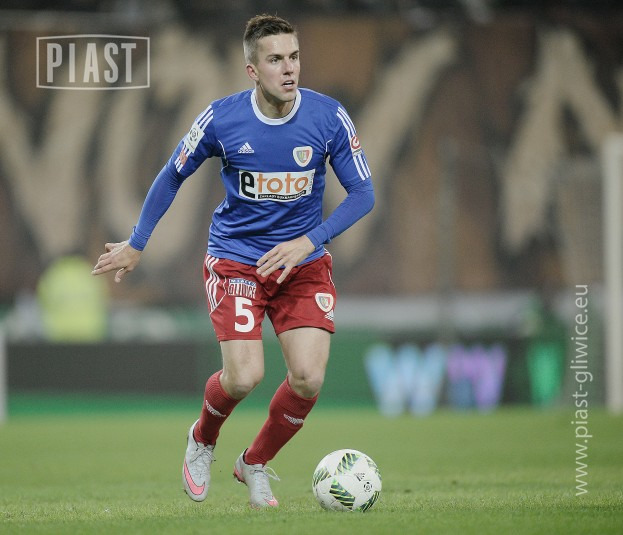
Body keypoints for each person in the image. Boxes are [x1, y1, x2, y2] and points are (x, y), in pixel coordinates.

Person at [92, 14, 375, 508]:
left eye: (294, 57)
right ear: (252, 70)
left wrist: (310, 240)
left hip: (302, 264)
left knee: (308, 377)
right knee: (243, 377)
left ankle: (254, 462)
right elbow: (172, 173)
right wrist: (138, 242)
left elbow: (363, 194)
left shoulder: (328, 117)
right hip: (238, 260)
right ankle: (202, 438)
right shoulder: (222, 119)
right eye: (275, 60)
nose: (289, 69)